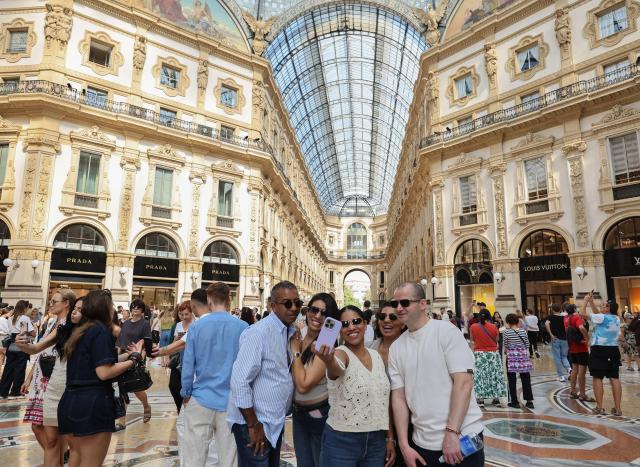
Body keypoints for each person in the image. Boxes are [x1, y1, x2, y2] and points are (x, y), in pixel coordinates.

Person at [389, 283, 484, 467]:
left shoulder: (446, 332)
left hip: (461, 439)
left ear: (423, 304)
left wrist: (452, 432)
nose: (399, 308)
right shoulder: (397, 348)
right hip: (422, 444)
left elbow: (463, 383)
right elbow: (398, 398)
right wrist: (404, 445)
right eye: (396, 303)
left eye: (405, 302)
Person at [57, 289, 144, 467]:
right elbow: (104, 372)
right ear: (105, 308)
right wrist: (135, 359)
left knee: (77, 458)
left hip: (71, 401)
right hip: (92, 404)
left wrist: (128, 356)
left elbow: (95, 363)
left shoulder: (80, 332)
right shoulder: (101, 332)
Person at [227, 281, 301, 467]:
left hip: (274, 423)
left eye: (297, 303)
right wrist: (253, 424)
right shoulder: (258, 333)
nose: (294, 308)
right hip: (254, 424)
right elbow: (240, 381)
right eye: (287, 303)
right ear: (273, 305)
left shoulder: (290, 332)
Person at [312, 305, 395, 467]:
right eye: (344, 324)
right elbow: (336, 367)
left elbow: (383, 402)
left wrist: (389, 438)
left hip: (376, 443)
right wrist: (328, 360)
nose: (351, 327)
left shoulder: (376, 356)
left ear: (365, 324)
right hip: (341, 442)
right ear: (338, 330)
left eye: (356, 321)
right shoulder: (340, 353)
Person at [181, 283, 247, 467]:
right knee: (230, 458)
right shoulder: (243, 327)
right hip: (231, 401)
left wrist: (186, 393)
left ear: (209, 300)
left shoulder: (196, 327)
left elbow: (188, 364)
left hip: (202, 397)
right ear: (229, 300)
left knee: (194, 457)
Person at [290, 293, 339, 467]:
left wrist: (295, 352)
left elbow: (303, 385)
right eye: (314, 310)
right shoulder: (300, 335)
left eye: (324, 313)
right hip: (299, 414)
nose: (317, 316)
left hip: (318, 417)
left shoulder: (326, 341)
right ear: (307, 310)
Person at [581, 293, 622, 416]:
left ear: (608, 309)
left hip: (599, 349)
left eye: (604, 306)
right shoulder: (616, 318)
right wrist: (592, 303)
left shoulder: (603, 318)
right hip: (614, 349)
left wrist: (585, 301)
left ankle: (599, 407)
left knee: (597, 377)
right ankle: (618, 409)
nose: (601, 307)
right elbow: (598, 314)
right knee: (614, 378)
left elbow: (583, 314)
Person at [117, 298, 152, 425]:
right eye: (133, 307)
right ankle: (122, 421)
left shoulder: (144, 323)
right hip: (123, 357)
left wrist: (141, 356)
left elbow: (146, 341)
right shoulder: (126, 323)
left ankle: (146, 406)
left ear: (142, 310)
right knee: (122, 387)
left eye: (138, 307)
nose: (135, 309)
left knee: (137, 387)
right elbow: (121, 341)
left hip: (136, 357)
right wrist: (117, 355)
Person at [469, 309, 508, 407]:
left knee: (480, 376)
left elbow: (472, 340)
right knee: (494, 375)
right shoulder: (493, 326)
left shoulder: (473, 326)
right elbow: (497, 340)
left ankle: (480, 399)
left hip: (480, 354)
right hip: (493, 354)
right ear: (489, 317)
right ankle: (496, 398)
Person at [0, 300, 36, 399]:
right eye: (28, 307)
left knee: (8, 368)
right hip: (21, 344)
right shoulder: (24, 318)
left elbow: (10, 331)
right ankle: (15, 392)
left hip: (11, 345)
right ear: (24, 308)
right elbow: (32, 333)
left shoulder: (10, 318)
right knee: (20, 369)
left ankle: (3, 392)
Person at [503, 314, 534, 409]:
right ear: (517, 321)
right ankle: (529, 401)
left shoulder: (506, 333)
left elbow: (506, 345)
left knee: (511, 379)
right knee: (526, 378)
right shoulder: (523, 332)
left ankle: (514, 401)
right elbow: (527, 344)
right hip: (523, 357)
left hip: (512, 357)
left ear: (508, 322)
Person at [564, 304, 593, 402]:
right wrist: (587, 338)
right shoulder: (577, 318)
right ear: (575, 309)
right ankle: (582, 394)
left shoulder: (566, 318)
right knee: (582, 371)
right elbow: (581, 328)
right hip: (581, 348)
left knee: (574, 369)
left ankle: (572, 392)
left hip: (572, 348)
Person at [169, 300, 193, 412]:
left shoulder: (197, 324)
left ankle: (188, 410)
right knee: (173, 385)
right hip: (179, 359)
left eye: (186, 314)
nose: (183, 317)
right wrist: (178, 338)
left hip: (191, 358)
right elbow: (173, 344)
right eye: (181, 314)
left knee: (188, 385)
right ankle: (179, 408)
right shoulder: (178, 325)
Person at [545, 304, 571, 382]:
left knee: (557, 358)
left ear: (552, 310)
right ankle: (569, 369)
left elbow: (546, 325)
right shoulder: (564, 318)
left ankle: (561, 376)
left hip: (555, 339)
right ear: (560, 309)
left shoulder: (549, 317)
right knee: (564, 356)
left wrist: (551, 334)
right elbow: (568, 327)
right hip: (564, 339)